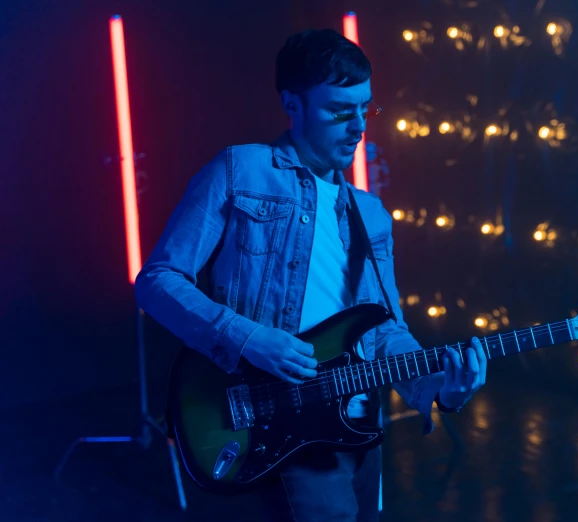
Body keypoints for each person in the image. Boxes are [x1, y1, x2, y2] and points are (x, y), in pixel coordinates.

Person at [134, 28, 487, 521]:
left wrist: (440, 390)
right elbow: (156, 281)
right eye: (339, 111)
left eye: (365, 109)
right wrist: (250, 339)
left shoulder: (371, 214)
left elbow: (384, 329)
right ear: (291, 105)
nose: (358, 126)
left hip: (360, 422)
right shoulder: (240, 171)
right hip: (281, 415)